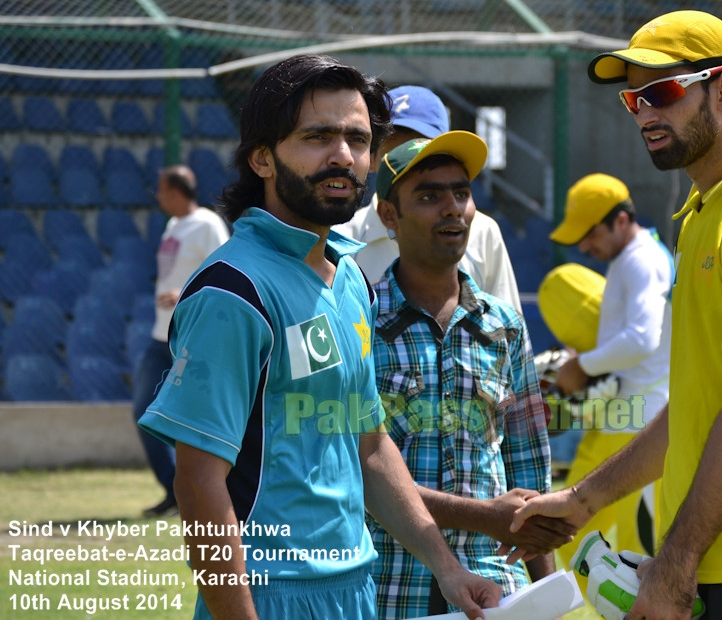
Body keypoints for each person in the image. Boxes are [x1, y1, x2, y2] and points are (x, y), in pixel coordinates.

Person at [138, 54, 501, 620]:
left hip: (356, 586)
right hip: (268, 593)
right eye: (317, 137)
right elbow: (199, 483)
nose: (343, 156)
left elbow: (370, 444)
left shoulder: (350, 278)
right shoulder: (233, 291)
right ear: (262, 157)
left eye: (358, 140)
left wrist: (447, 568)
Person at [509, 10, 722, 619]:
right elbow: (695, 405)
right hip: (714, 557)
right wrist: (583, 501)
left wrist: (676, 563)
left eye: (662, 92)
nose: (644, 113)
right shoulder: (700, 215)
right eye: (634, 99)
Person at [367, 130, 570, 619]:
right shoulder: (358, 320)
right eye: (429, 195)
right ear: (389, 216)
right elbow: (354, 471)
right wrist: (486, 516)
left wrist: (551, 594)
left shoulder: (503, 324)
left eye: (461, 192)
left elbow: (528, 472)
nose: (452, 208)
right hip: (391, 587)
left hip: (497, 587)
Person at [547, 173, 673, 580]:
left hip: (639, 414)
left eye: (590, 233)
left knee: (573, 526)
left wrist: (581, 367)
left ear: (621, 220)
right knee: (620, 540)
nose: (585, 246)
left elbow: (641, 338)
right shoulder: (634, 258)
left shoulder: (640, 259)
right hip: (636, 409)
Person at [333, 84, 522, 312]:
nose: (408, 164)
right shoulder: (343, 239)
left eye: (422, 152)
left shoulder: (483, 232)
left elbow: (507, 331)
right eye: (395, 154)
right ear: (372, 159)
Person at [131, 164, 230, 518]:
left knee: (198, 418)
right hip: (162, 333)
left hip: (192, 334)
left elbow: (226, 272)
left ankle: (199, 491)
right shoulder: (174, 226)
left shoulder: (207, 224)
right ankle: (175, 488)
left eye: (161, 189)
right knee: (145, 412)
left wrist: (184, 292)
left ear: (176, 191)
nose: (157, 196)